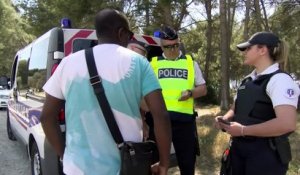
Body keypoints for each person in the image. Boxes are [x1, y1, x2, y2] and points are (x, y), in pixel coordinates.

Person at [40, 9, 171, 175]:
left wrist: (65, 156)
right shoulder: (139, 63)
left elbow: (46, 117)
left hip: (77, 170)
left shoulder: (67, 63)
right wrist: (164, 164)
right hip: (128, 169)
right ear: (121, 33)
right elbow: (161, 115)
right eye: (129, 35)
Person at [215, 31, 299, 175]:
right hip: (238, 152)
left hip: (265, 157)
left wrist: (243, 131)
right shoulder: (247, 80)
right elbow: (236, 108)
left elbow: (287, 124)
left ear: (262, 50)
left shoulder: (280, 81)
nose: (244, 52)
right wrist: (226, 118)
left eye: (248, 48)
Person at [150, 26, 207, 175]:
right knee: (156, 166)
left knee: (187, 164)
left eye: (176, 45)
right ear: (162, 46)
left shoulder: (190, 63)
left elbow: (203, 89)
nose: (173, 49)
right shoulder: (153, 64)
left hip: (184, 123)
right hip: (160, 122)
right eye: (168, 47)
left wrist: (190, 93)